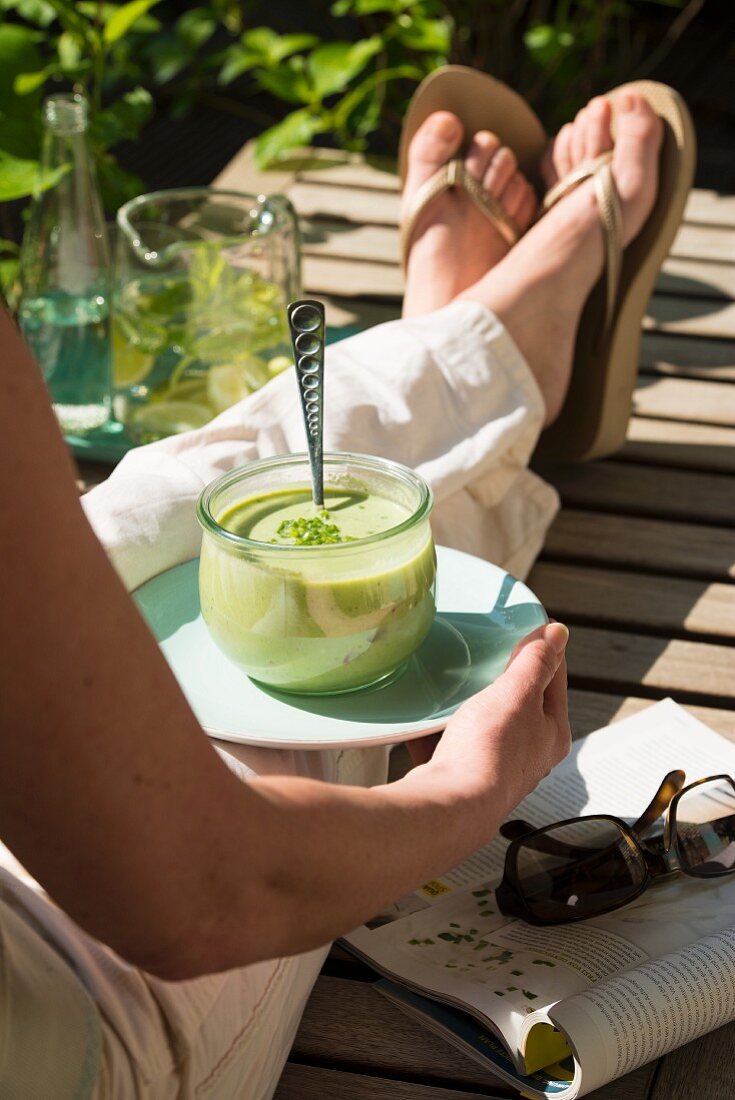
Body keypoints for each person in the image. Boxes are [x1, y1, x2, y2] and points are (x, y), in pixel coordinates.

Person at [0, 87, 662, 1097]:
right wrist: (460, 791)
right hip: (66, 1000)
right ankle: (506, 336)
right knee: (311, 689)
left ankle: (468, 335)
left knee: (160, 501)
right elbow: (202, 885)